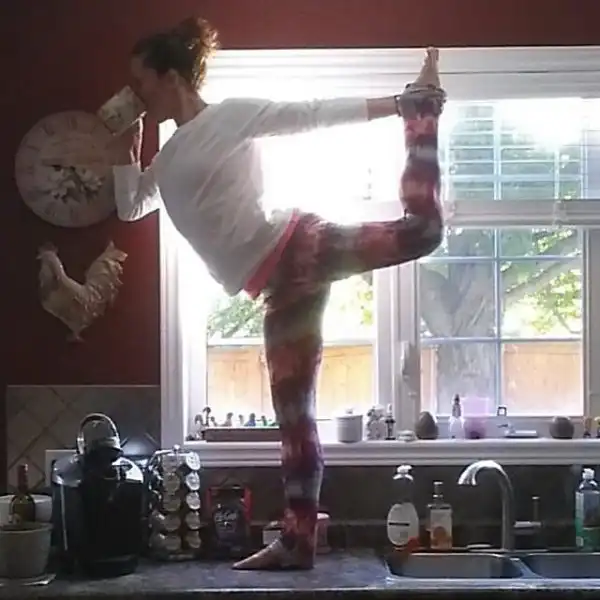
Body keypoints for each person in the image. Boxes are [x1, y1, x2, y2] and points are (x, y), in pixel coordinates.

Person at [111, 16, 446, 570]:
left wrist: (398, 105)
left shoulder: (228, 117)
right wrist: (127, 144)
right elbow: (130, 207)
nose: (137, 94)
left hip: (298, 248)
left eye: (142, 82)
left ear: (171, 77)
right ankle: (298, 541)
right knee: (294, 416)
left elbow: (310, 114)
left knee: (423, 233)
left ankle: (422, 111)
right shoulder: (166, 160)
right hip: (276, 288)